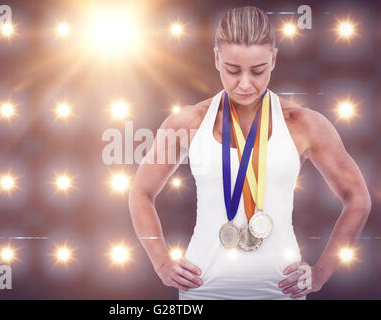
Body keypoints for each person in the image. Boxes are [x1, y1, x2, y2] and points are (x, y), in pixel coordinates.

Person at [128, 6, 371, 299]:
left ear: (274, 60)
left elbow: (358, 198)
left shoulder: (305, 124)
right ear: (216, 59)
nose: (244, 83)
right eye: (232, 70)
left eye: (257, 71)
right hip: (203, 290)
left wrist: (320, 273)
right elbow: (140, 191)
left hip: (281, 289)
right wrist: (161, 262)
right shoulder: (188, 122)